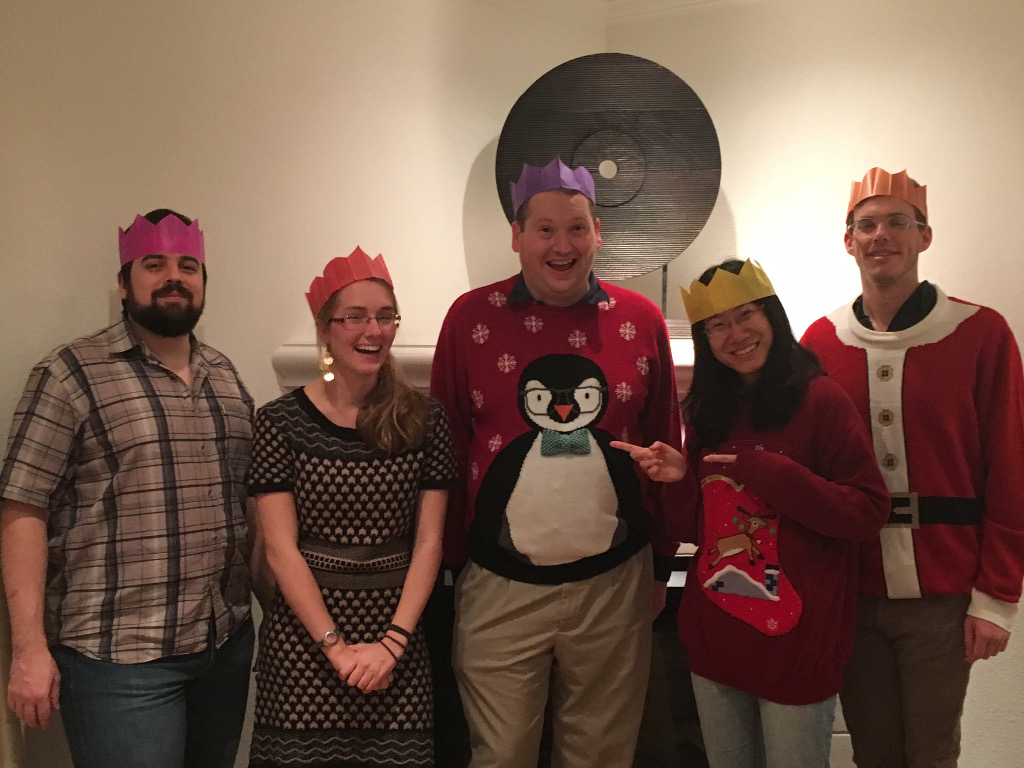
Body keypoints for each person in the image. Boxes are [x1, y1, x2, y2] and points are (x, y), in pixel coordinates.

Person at [429, 157, 682, 768]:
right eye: (544, 229)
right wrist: (452, 566)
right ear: (517, 237)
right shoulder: (469, 320)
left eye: (575, 228)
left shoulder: (641, 321)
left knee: (601, 754)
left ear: (598, 233)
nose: (561, 245)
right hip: (497, 584)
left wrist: (662, 569)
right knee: (501, 753)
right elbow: (445, 450)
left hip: (614, 587)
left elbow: (663, 451)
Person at [0, 209, 256, 768]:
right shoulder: (70, 373)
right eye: (154, 263)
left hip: (224, 646)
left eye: (189, 265)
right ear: (123, 282)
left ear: (204, 283)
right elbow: (23, 508)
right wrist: (28, 651)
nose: (174, 276)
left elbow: (249, 509)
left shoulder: (227, 377)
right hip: (118, 662)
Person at [615, 258, 889, 768]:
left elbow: (867, 512)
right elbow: (687, 532)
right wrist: (678, 481)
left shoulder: (822, 401)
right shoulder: (707, 412)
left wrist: (778, 476)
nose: (734, 334)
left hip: (799, 644)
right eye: (717, 325)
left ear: (772, 317)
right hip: (716, 639)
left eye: (746, 316)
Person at [801, 168, 1024, 768]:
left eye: (898, 222)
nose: (882, 235)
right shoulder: (820, 343)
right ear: (848, 241)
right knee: (872, 753)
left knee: (929, 753)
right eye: (867, 224)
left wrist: (997, 598)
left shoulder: (982, 335)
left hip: (944, 591)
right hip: (853, 586)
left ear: (924, 236)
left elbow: (1009, 467)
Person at [247, 247, 455, 768]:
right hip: (304, 644)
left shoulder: (426, 420)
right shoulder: (279, 422)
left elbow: (429, 541)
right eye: (355, 317)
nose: (373, 330)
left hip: (397, 639)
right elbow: (280, 548)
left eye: (385, 317)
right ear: (325, 329)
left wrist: (392, 644)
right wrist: (336, 648)